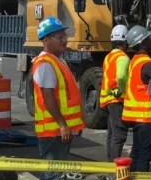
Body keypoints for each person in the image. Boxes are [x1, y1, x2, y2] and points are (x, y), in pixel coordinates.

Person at [32, 16, 85, 180]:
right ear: (46, 40)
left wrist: (74, 124)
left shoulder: (58, 60)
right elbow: (48, 97)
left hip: (59, 130)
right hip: (53, 131)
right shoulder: (46, 64)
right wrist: (63, 125)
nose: (64, 40)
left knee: (56, 171)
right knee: (52, 174)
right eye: (59, 37)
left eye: (64, 36)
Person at [121, 25, 151, 172]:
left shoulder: (134, 61)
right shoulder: (148, 64)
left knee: (137, 152)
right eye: (148, 38)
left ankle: (133, 174)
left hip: (137, 117)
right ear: (142, 43)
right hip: (148, 117)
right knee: (144, 154)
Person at [100, 24, 131, 161]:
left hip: (108, 99)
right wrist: (122, 89)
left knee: (112, 134)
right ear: (126, 41)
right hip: (117, 100)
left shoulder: (108, 57)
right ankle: (115, 167)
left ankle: (110, 163)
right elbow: (120, 77)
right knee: (119, 134)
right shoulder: (123, 57)